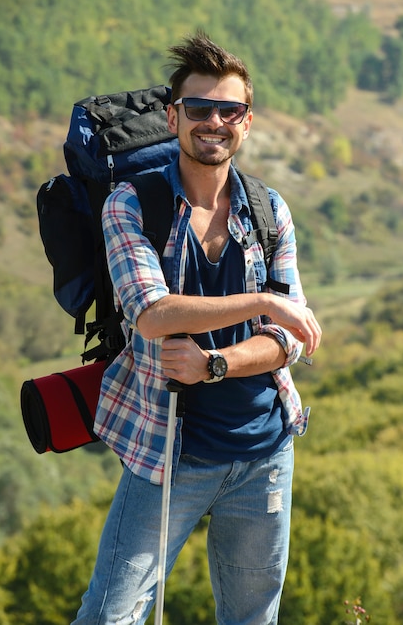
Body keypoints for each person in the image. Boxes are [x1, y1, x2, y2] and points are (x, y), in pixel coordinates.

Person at [71, 31, 322, 625]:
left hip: (266, 454)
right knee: (108, 616)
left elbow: (291, 340)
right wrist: (262, 301)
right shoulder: (131, 205)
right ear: (173, 116)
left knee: (252, 618)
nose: (214, 121)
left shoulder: (268, 209)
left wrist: (215, 364)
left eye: (228, 109)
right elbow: (152, 315)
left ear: (247, 121)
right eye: (199, 108)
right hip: (166, 452)